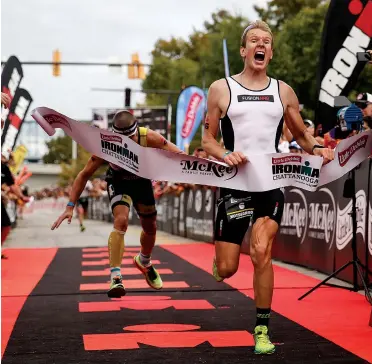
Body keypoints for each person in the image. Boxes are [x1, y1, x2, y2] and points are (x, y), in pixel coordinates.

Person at [202, 20, 334, 355]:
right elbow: (207, 141)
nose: (261, 45)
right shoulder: (221, 88)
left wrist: (320, 150)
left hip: (271, 183)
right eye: (254, 41)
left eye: (267, 41)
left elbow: (302, 136)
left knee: (262, 250)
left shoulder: (283, 91)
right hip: (235, 184)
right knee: (229, 268)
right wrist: (227, 154)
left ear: (270, 53)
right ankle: (220, 260)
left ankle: (261, 328)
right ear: (244, 51)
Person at [51, 111, 184, 298]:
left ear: (136, 132)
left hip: (141, 182)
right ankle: (115, 277)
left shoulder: (150, 137)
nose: (127, 145)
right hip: (119, 182)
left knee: (150, 226)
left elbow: (181, 156)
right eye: (122, 141)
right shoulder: (106, 145)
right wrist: (70, 206)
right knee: (121, 220)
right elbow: (83, 174)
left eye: (130, 140)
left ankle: (144, 261)